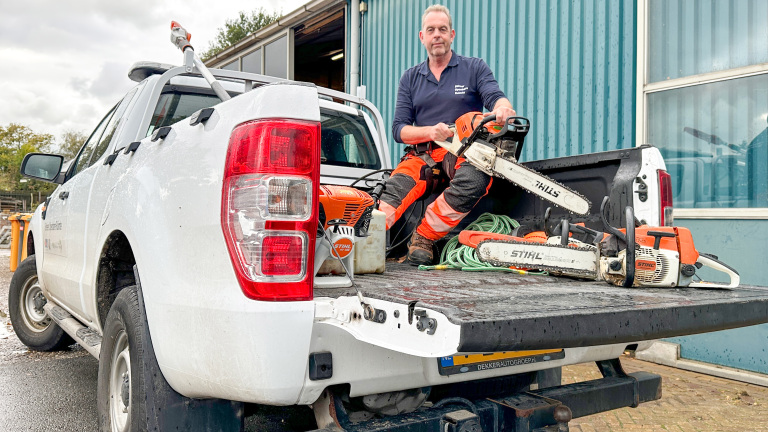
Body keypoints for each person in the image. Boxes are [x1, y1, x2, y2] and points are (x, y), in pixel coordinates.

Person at [379, 4, 516, 265]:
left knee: (476, 180)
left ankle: (423, 237)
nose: (437, 35)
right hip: (423, 155)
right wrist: (431, 131)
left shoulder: (474, 68)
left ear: (452, 34)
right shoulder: (410, 78)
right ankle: (362, 243)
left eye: (443, 29)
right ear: (422, 37)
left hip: (464, 152)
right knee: (391, 196)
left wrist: (503, 109)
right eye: (431, 30)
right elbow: (400, 130)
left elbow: (495, 97)